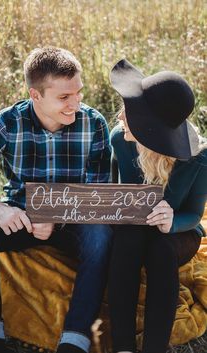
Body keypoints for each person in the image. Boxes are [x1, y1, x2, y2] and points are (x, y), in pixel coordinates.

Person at [0, 46, 113, 353]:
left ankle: (75, 341)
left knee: (101, 232)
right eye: (64, 97)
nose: (75, 102)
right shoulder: (5, 123)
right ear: (35, 96)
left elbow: (99, 193)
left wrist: (57, 215)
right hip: (20, 215)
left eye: (78, 92)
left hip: (74, 217)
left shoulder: (94, 123)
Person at [108, 59, 207, 353]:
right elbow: (115, 196)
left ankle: (154, 347)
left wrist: (173, 220)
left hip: (178, 232)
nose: (122, 117)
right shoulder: (120, 141)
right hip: (135, 227)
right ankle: (123, 346)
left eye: (132, 114)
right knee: (126, 242)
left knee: (161, 250)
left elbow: (194, 213)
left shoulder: (198, 159)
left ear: (151, 128)